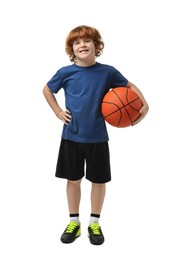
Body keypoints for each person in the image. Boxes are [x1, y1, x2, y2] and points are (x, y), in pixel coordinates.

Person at [43, 25, 149, 245]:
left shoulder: (108, 72)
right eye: (77, 42)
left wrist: (144, 104)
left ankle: (94, 223)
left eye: (87, 41)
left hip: (98, 138)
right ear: (72, 49)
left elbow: (129, 86)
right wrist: (58, 112)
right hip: (71, 136)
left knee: (98, 181)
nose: (82, 45)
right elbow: (46, 89)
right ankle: (74, 222)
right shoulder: (66, 72)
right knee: (73, 180)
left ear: (96, 45)